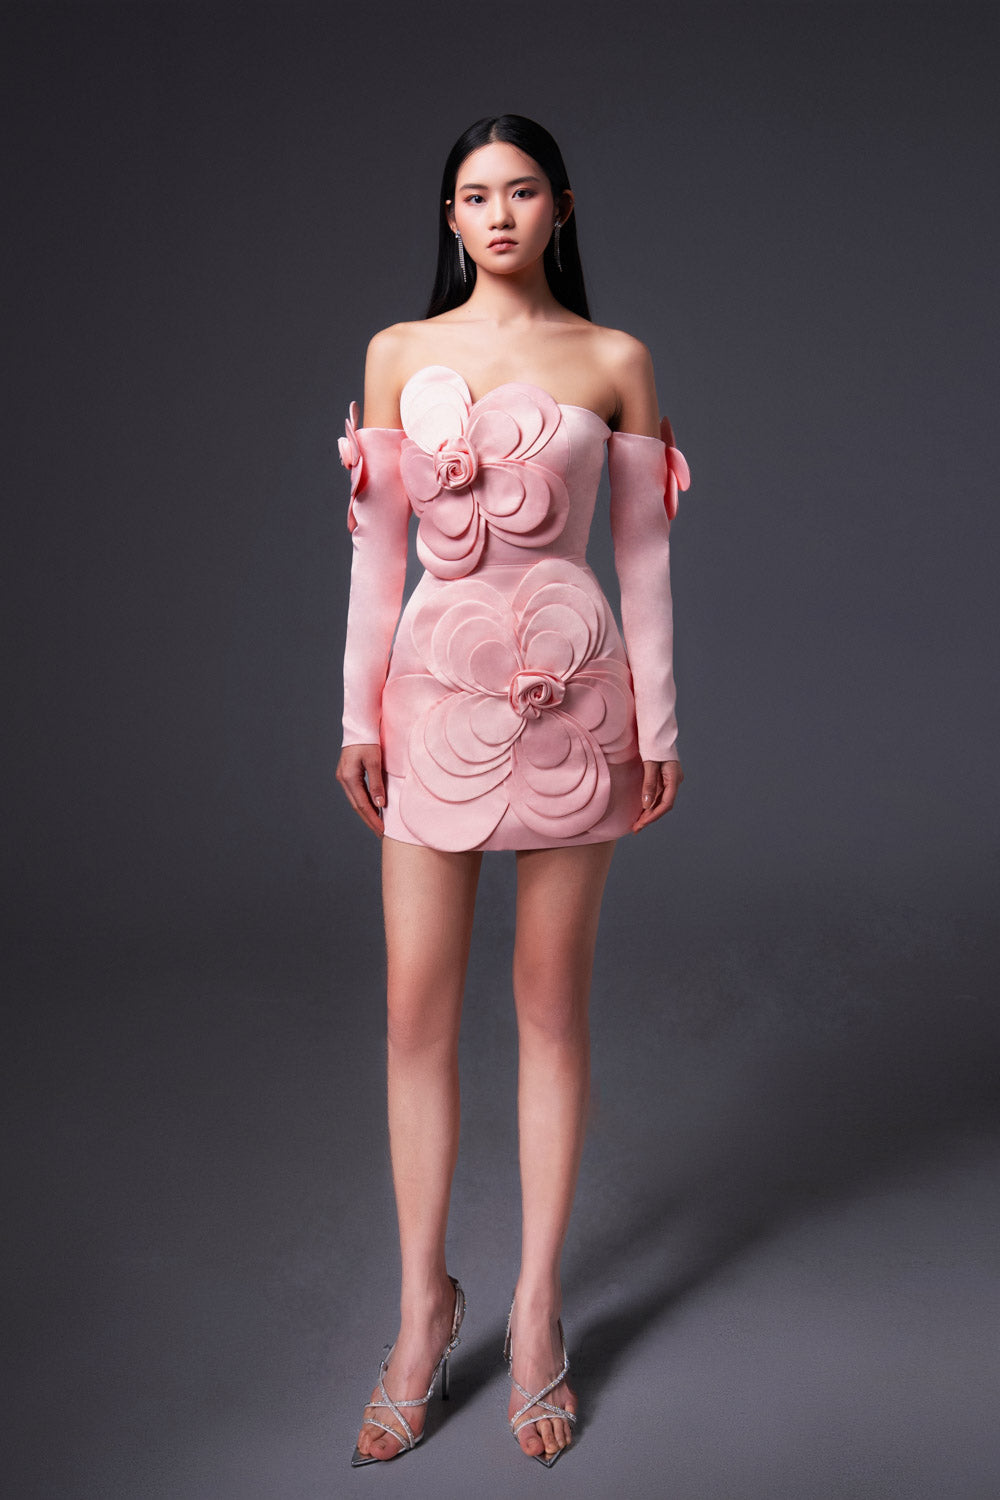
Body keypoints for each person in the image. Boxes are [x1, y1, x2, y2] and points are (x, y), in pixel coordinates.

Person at [336, 114, 689, 1469]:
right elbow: (377, 558)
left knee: (551, 1006)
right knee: (413, 1010)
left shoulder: (615, 361)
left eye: (522, 191)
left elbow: (644, 561)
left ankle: (536, 1311)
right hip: (434, 696)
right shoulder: (398, 354)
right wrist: (353, 715)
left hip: (575, 697)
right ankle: (422, 1308)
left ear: (562, 208)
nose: (498, 214)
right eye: (476, 195)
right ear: (450, 217)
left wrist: (660, 724)